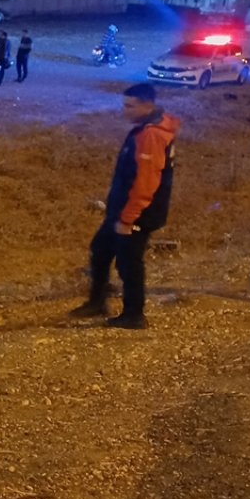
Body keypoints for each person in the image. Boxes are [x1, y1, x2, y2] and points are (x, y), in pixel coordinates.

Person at [70, 84, 180, 329]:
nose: (124, 111)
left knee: (129, 262)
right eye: (124, 105)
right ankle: (97, 302)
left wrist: (128, 218)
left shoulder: (151, 135)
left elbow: (146, 182)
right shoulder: (145, 130)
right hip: (122, 210)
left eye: (130, 106)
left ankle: (134, 314)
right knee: (100, 250)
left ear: (147, 105)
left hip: (137, 213)